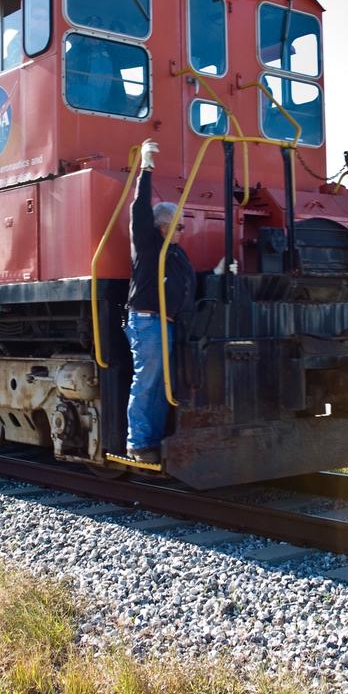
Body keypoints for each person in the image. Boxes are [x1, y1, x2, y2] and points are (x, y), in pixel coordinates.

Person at [123, 139, 194, 463]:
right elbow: (139, 208)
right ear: (163, 226)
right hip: (148, 322)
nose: (182, 230)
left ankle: (153, 441)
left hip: (166, 323)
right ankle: (138, 443)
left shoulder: (175, 253)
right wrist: (146, 168)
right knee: (148, 381)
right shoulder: (149, 244)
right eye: (178, 226)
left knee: (160, 384)